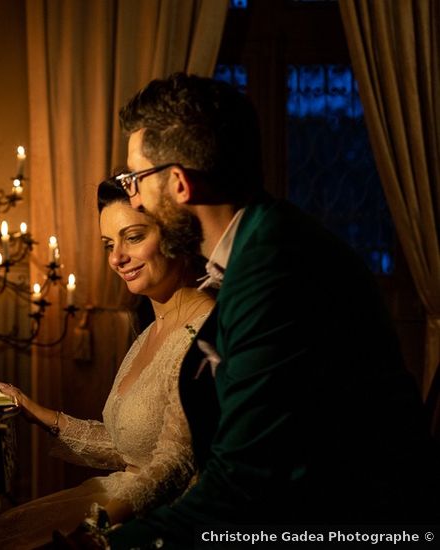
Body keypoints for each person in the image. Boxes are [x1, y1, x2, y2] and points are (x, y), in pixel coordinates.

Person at [65, 72, 440, 549]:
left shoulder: (275, 271)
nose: (132, 196)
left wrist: (109, 543)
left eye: (135, 179)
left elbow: (243, 485)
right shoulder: (258, 244)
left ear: (178, 183)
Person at [0, 177, 214, 549]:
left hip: (161, 517)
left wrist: (95, 527)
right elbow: (131, 444)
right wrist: (35, 410)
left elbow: (172, 464)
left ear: (176, 235)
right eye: (109, 244)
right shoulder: (148, 334)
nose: (115, 258)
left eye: (133, 237)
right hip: (118, 495)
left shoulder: (203, 333)